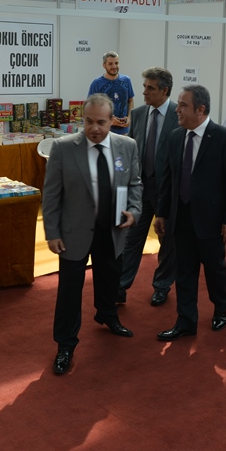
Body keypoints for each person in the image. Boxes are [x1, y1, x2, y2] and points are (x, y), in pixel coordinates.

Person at [42, 94, 142, 375]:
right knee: (69, 290)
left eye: (101, 122)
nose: (94, 128)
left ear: (112, 121)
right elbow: (51, 195)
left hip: (112, 230)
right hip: (73, 233)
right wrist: (52, 232)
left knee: (110, 278)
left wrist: (134, 211)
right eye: (89, 122)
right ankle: (65, 344)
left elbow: (135, 184)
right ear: (82, 120)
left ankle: (107, 315)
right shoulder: (63, 148)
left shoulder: (127, 146)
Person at [154, 85, 226, 340]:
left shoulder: (225, 138)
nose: (177, 110)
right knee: (184, 272)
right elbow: (168, 179)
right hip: (180, 218)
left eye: (183, 105)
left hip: (211, 221)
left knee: (215, 270)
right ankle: (185, 321)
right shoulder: (175, 137)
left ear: (200, 109)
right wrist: (161, 213)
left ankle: (220, 309)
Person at [118, 67, 178, 306]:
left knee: (167, 243)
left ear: (164, 90)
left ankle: (162, 286)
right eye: (144, 87)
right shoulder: (139, 113)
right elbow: (132, 151)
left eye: (150, 88)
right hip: (141, 190)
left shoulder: (179, 114)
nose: (144, 92)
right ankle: (120, 286)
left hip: (168, 192)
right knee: (131, 239)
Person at [88, 51, 135, 134]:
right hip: (104, 132)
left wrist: (129, 117)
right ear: (104, 65)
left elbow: (130, 101)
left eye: (116, 63)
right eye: (110, 64)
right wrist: (109, 119)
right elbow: (91, 108)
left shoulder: (126, 80)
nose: (114, 66)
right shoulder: (96, 83)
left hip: (124, 131)